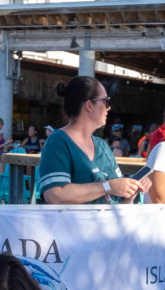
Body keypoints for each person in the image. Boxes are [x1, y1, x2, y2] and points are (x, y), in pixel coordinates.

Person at [35, 77, 144, 205]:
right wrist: (108, 187)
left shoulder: (102, 145)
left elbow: (115, 198)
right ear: (89, 105)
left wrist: (129, 193)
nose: (109, 108)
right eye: (106, 101)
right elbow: (55, 195)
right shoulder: (58, 141)